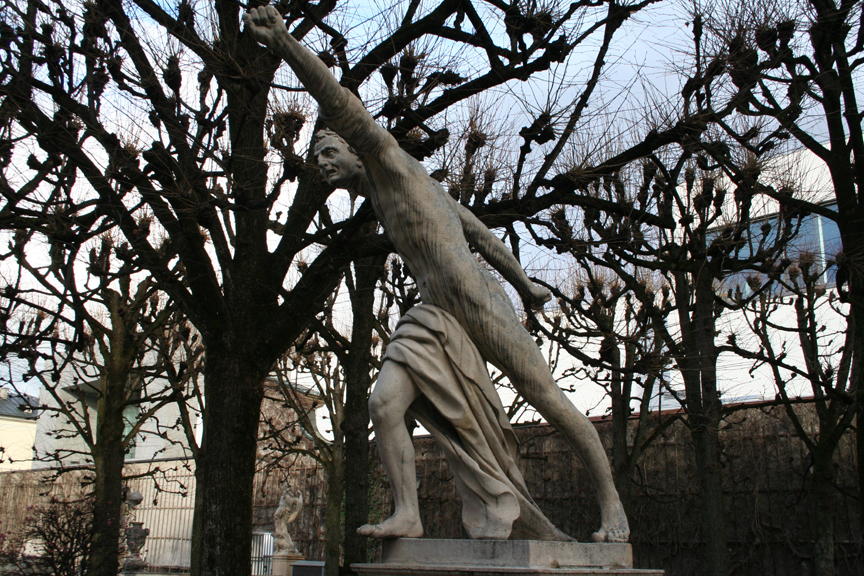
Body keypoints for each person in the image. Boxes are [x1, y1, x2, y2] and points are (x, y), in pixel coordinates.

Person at [243, 5, 629, 543]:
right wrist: (524, 282)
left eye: (329, 150)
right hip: (436, 313)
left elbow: (341, 103)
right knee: (384, 404)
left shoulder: (390, 159)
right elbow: (479, 231)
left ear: (355, 147)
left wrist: (284, 43)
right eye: (317, 156)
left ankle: (614, 509)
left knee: (545, 396)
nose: (322, 162)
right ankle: (409, 513)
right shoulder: (392, 192)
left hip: (476, 302)